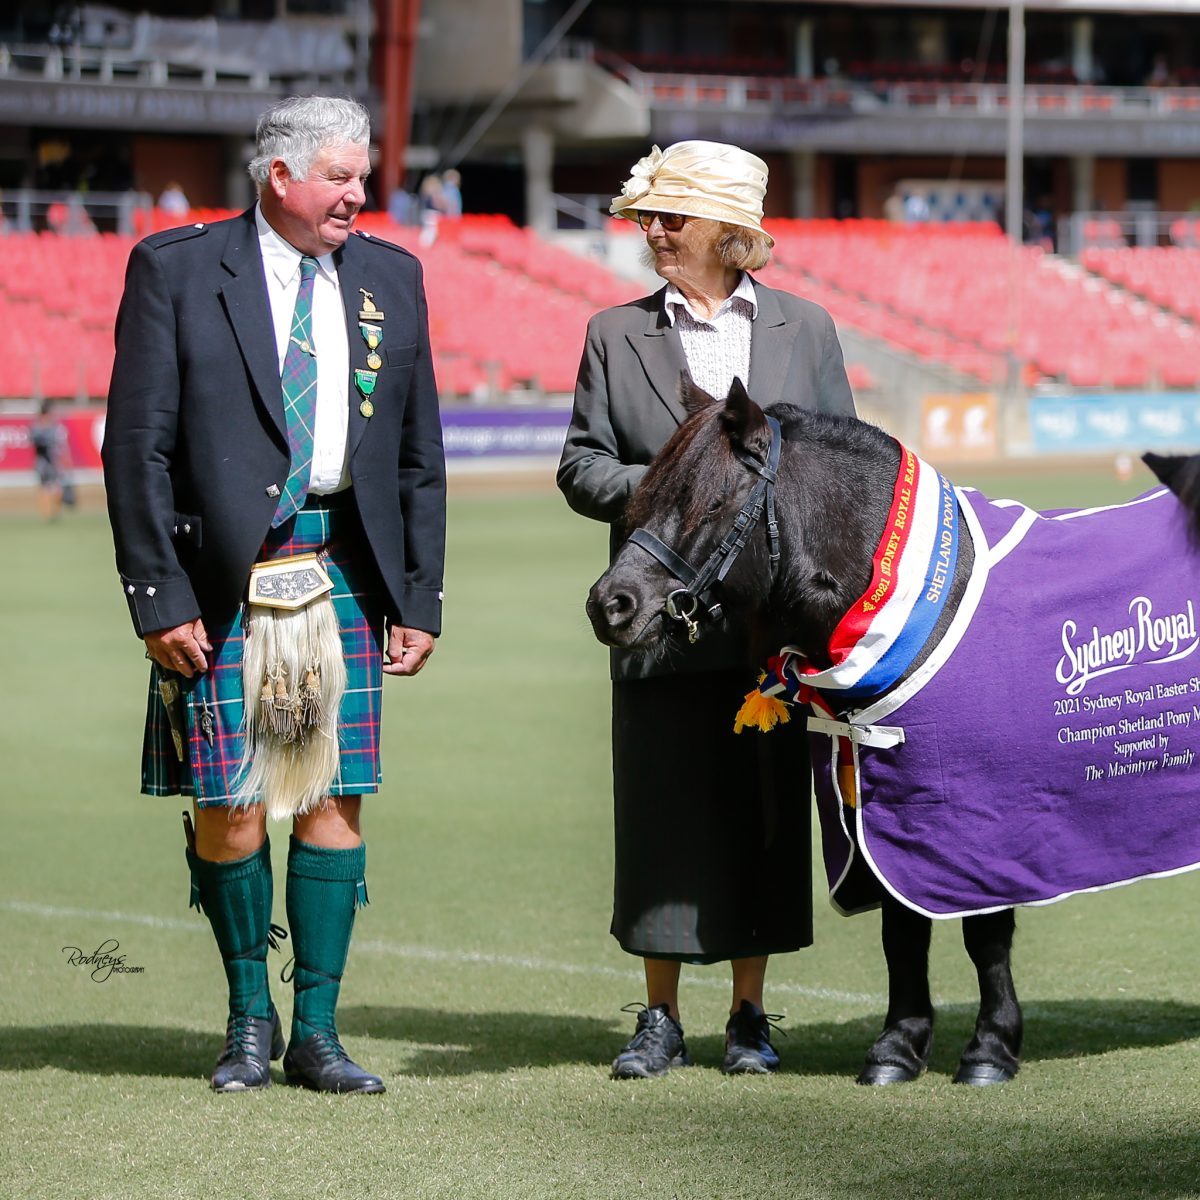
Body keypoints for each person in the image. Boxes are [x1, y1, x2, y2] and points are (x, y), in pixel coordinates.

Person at [102, 95, 446, 1095]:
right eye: (339, 174)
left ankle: (319, 1033)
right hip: (221, 581)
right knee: (235, 808)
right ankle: (247, 1021)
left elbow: (420, 455)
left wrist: (418, 598)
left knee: (334, 800)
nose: (358, 192)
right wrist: (157, 593)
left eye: (361, 173)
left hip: (343, 568)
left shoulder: (392, 275)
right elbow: (138, 448)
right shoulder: (175, 269)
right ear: (278, 176)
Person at [558, 141, 856, 1078]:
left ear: (731, 235)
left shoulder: (807, 330)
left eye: (670, 218)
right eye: (647, 218)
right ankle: (658, 1018)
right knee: (659, 815)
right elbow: (580, 464)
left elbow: (843, 462)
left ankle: (750, 1017)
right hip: (654, 623)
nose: (651, 233)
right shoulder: (614, 332)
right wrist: (686, 489)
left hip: (776, 632)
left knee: (761, 819)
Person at [29, 401, 69, 521]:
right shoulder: (37, 427)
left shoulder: (54, 427)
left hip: (54, 462)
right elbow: (34, 440)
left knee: (57, 488)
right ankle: (47, 514)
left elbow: (60, 445)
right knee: (44, 488)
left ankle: (54, 512)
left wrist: (63, 459)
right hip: (42, 462)